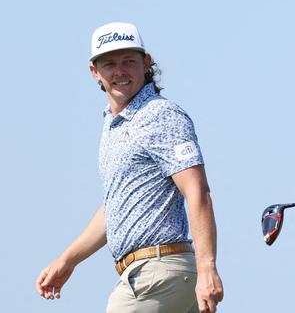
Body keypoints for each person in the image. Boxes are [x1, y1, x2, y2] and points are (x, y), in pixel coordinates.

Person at [35, 22, 224, 313]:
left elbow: (197, 191)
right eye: (109, 64)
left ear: (146, 63)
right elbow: (117, 207)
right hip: (149, 274)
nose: (119, 71)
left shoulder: (160, 114)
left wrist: (208, 267)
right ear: (94, 72)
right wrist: (68, 259)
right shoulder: (114, 126)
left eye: (129, 62)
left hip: (158, 273)